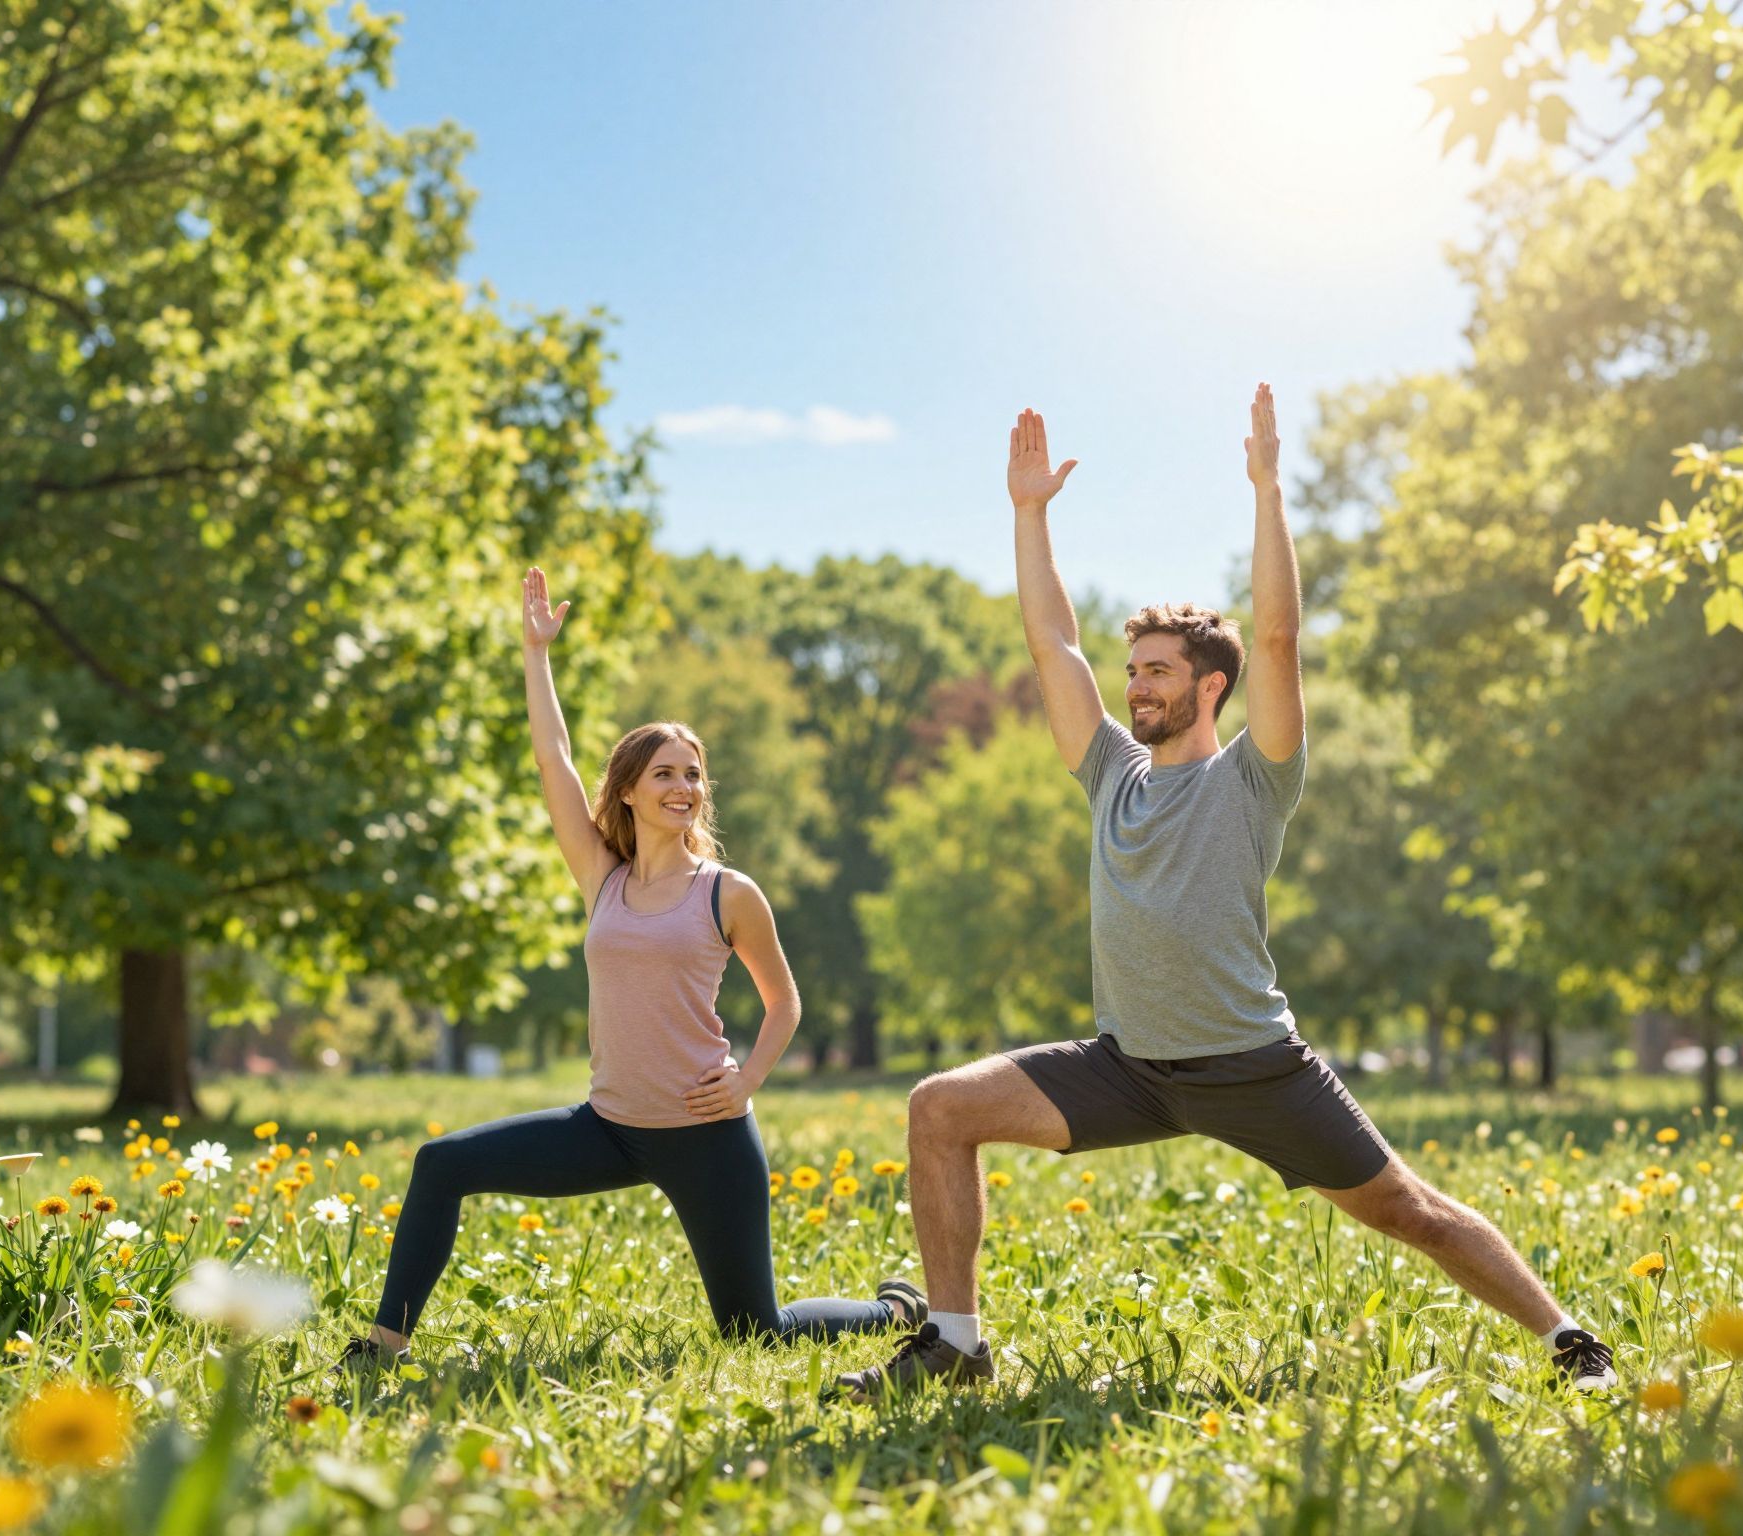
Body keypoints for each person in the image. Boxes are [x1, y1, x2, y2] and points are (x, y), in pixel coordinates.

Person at [831, 391, 1618, 1401]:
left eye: (1156, 672)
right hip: (1128, 1065)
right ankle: (952, 1340)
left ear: (1208, 686)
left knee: (1407, 1211)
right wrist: (1028, 515)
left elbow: (1280, 637)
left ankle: (1567, 1338)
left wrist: (1265, 489)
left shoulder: (1252, 779)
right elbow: (1050, 648)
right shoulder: (1111, 775)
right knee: (939, 1107)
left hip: (1251, 1066)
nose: (1134, 688)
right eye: (1132, 672)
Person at [337, 568, 923, 1368]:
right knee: (442, 1163)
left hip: (706, 1136)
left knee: (756, 1331)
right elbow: (554, 761)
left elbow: (784, 1002)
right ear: (630, 792)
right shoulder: (603, 879)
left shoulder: (727, 892)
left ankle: (892, 1308)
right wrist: (535, 653)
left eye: (692, 774)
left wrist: (747, 1081)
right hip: (607, 1128)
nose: (683, 787)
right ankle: (382, 1345)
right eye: (665, 774)